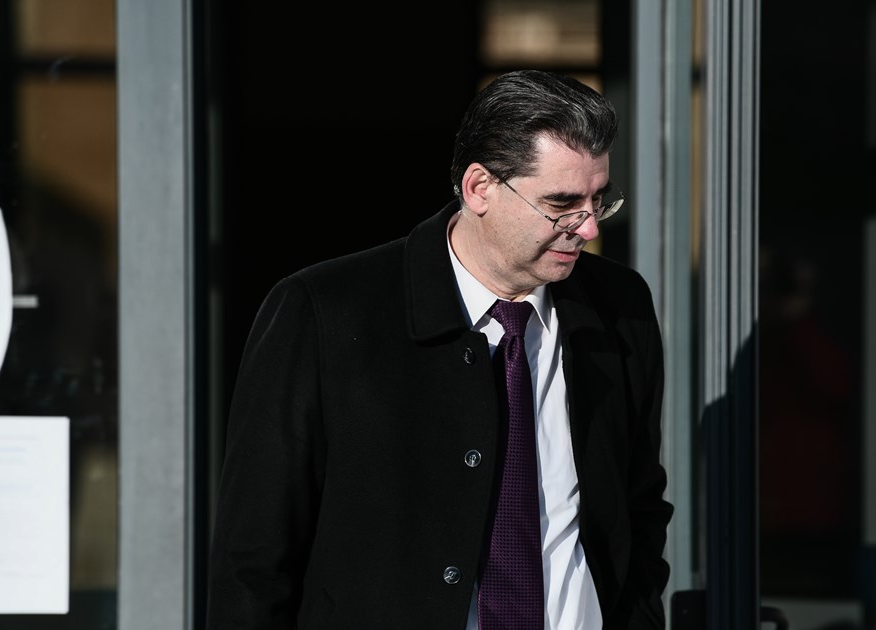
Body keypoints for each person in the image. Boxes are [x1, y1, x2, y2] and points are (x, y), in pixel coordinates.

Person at [204, 69, 673, 629]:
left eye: (600, 200)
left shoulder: (620, 306)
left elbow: (640, 507)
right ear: (479, 188)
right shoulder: (324, 312)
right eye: (561, 203)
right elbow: (253, 557)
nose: (589, 227)